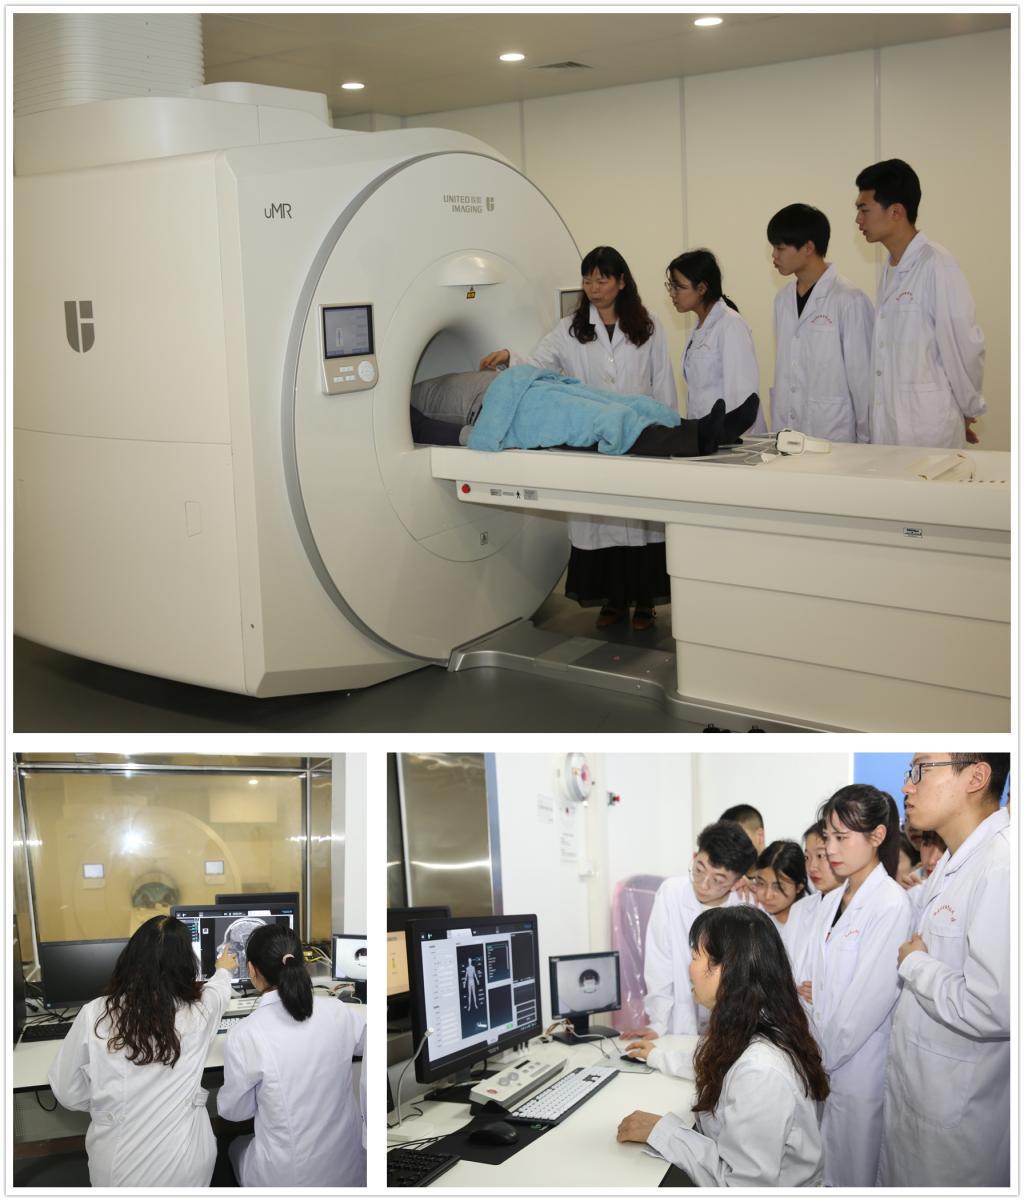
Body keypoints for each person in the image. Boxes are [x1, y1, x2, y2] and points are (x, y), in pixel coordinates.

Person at [481, 246, 678, 631]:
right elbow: (537, 365)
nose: (593, 288)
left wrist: (668, 430)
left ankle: (644, 603)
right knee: (601, 518)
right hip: (594, 436)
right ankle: (612, 601)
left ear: (622, 282)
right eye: (588, 280)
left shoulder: (649, 325)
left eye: (602, 279)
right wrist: (509, 357)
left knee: (641, 520)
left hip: (639, 433)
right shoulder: (570, 328)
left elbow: (663, 383)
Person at [616, 907, 827, 1187]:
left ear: (725, 970)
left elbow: (741, 1186)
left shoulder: (760, 1071)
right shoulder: (755, 1027)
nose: (689, 968)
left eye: (695, 956)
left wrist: (662, 1131)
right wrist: (656, 1055)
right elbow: (716, 1064)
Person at [877, 753, 1010, 1188]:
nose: (907, 786)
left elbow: (995, 1007)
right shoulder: (956, 861)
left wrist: (916, 964)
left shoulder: (1003, 864)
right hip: (924, 1099)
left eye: (920, 771)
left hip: (962, 1122)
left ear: (976, 776)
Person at [48, 915, 237, 1188]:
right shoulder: (201, 1011)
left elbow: (67, 1091)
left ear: (130, 958)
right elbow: (219, 990)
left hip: (118, 1168)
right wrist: (224, 969)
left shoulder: (96, 1013)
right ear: (186, 964)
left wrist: (108, 1102)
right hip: (186, 1163)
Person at [803, 784, 913, 1187]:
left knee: (853, 1175)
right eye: (827, 836)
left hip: (858, 1070)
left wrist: (816, 1060)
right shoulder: (832, 901)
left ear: (877, 836)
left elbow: (866, 1004)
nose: (830, 849)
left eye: (841, 838)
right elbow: (811, 984)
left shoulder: (890, 904)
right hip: (821, 1061)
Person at [217, 924, 366, 1187]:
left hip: (288, 1178)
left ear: (251, 970)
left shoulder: (245, 1034)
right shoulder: (338, 1011)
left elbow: (236, 1112)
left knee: (232, 1145)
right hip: (349, 1168)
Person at [854, 158, 985, 448]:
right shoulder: (890, 269)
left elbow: (963, 344)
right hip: (891, 424)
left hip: (928, 427)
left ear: (896, 211)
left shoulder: (937, 264)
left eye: (864, 210)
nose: (858, 221)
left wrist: (968, 407)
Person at [410, 366, 759, 458]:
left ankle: (706, 429)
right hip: (502, 411)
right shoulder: (400, 407)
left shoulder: (410, 386)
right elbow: (423, 429)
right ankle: (691, 441)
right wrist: (479, 437)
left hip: (517, 386)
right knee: (594, 419)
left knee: (626, 402)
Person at [621, 821, 757, 1042]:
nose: (703, 884)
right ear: (695, 856)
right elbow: (659, 962)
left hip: (732, 1028)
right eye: (699, 869)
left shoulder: (747, 905)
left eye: (718, 880)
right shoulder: (672, 892)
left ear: (737, 881)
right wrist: (659, 1022)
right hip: (678, 1024)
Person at [767, 203, 874, 442]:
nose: (774, 255)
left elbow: (863, 382)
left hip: (834, 434)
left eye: (780, 248)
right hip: (789, 435)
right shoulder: (782, 300)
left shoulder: (849, 300)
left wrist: (868, 442)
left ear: (808, 247)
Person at [666, 249, 763, 431]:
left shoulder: (730, 324)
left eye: (678, 286)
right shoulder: (700, 327)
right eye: (670, 285)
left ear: (702, 288)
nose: (672, 293)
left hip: (731, 438)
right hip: (706, 434)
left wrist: (731, 439)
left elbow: (742, 396)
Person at [750, 840, 809, 957]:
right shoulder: (751, 909)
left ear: (799, 887)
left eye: (778, 887)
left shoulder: (811, 924)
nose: (767, 895)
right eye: (761, 883)